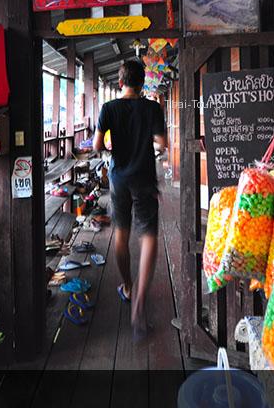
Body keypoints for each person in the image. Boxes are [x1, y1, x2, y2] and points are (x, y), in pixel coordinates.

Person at [93, 60, 167, 340]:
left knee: (121, 235)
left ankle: (127, 286)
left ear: (121, 81)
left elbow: (98, 145)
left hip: (118, 179)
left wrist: (116, 144)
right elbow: (162, 143)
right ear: (142, 82)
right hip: (145, 178)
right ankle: (138, 306)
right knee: (148, 237)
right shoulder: (152, 108)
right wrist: (148, 140)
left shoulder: (108, 109)